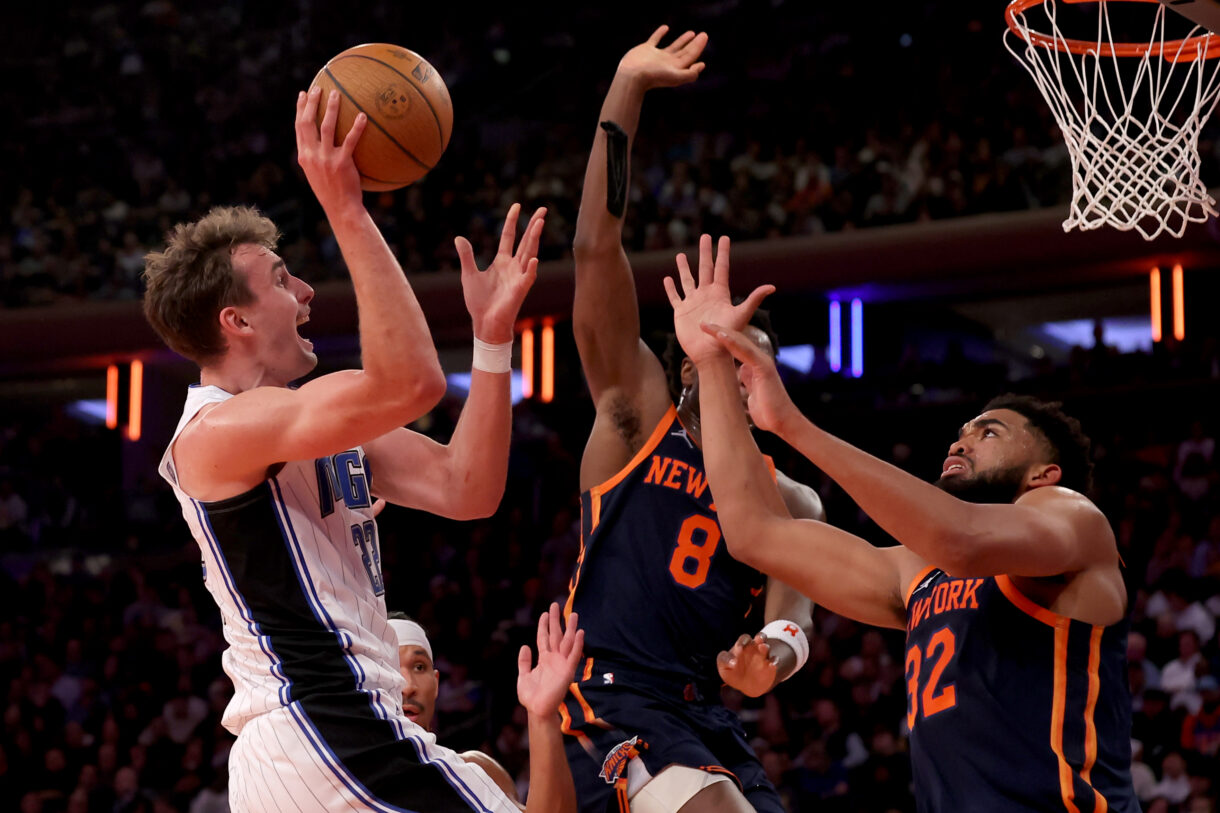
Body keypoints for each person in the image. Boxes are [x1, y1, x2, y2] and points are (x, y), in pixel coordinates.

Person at [142, 85, 576, 813]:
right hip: (324, 722)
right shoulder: (212, 436)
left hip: (323, 740)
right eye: (283, 278)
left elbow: (468, 486)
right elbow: (410, 380)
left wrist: (493, 340)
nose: (307, 291)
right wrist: (347, 206)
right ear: (236, 320)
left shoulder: (324, 422)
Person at [662, 235, 1140, 812]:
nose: (962, 439)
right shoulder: (918, 572)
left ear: (1044, 473)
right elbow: (754, 531)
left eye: (990, 432)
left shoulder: (1072, 519)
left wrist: (792, 424)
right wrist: (713, 364)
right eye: (962, 430)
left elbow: (960, 538)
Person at [563, 27, 823, 813]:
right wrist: (626, 91)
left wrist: (768, 660)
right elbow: (592, 250)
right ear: (683, 370)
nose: (730, 371)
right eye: (716, 357)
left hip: (705, 715)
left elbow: (794, 618)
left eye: (748, 359)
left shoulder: (794, 498)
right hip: (611, 696)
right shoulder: (636, 420)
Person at [388, 612, 522, 803]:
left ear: (436, 684)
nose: (408, 686)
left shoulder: (479, 773)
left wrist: (543, 717)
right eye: (392, 668)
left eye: (419, 667)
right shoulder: (342, 779)